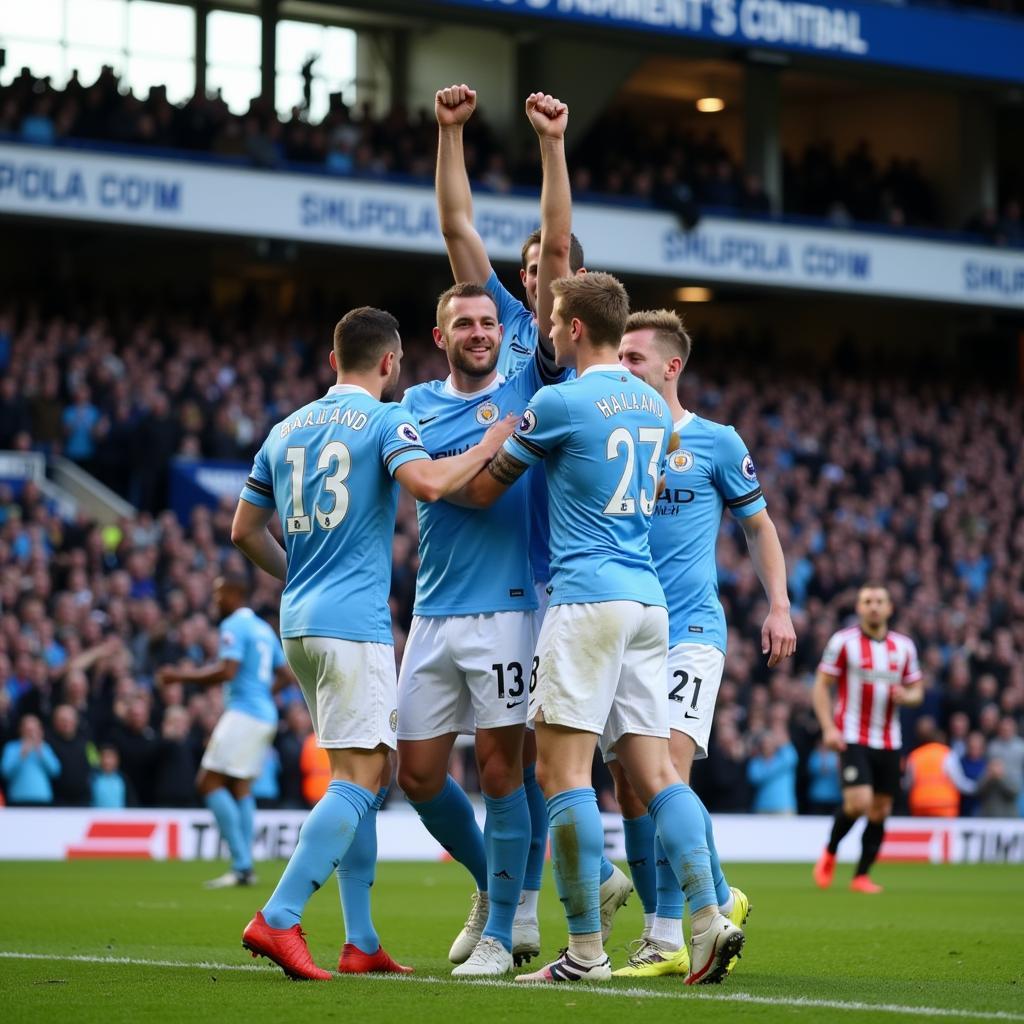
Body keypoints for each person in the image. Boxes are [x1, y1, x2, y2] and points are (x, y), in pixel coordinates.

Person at [455, 272, 745, 985]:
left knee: (560, 774)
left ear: (576, 328)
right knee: (654, 772)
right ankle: (706, 919)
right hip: (649, 603)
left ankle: (585, 951)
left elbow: (490, 485)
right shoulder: (652, 405)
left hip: (585, 600)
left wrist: (455, 463)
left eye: (555, 320)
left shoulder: (558, 401)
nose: (549, 331)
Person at [231, 305, 515, 981]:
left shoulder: (286, 427)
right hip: (352, 625)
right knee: (363, 780)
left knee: (360, 775)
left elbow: (244, 530)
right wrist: (486, 444)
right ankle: (278, 917)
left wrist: (297, 572)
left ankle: (360, 940)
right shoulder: (388, 421)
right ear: (390, 363)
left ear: (335, 360)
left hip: (298, 620)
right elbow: (426, 484)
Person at [433, 82, 613, 966]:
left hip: (548, 573)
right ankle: (520, 895)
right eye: (530, 267)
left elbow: (557, 226)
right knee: (502, 762)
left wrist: (551, 146)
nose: (536, 278)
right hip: (497, 569)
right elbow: (457, 227)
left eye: (553, 270)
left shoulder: (552, 346)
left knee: (537, 755)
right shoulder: (495, 321)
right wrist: (450, 133)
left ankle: (555, 906)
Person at [607, 309, 795, 977]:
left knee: (667, 773)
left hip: (689, 631)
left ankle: (667, 937)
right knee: (631, 786)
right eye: (618, 355)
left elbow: (760, 527)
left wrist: (778, 605)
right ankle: (719, 896)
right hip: (623, 632)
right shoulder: (609, 437)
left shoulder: (714, 441)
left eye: (634, 357)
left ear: (671, 366)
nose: (622, 366)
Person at [157, 573, 289, 888]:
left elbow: (226, 671)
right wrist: (262, 694)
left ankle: (242, 863)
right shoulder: (262, 628)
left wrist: (179, 677)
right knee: (240, 786)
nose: (215, 601)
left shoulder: (233, 626)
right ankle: (244, 868)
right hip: (263, 715)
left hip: (244, 713)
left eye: (219, 594)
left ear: (234, 595)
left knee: (207, 782)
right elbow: (285, 675)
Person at [811, 584, 924, 894]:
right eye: (867, 601)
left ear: (889, 608)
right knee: (858, 803)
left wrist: (907, 696)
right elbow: (821, 686)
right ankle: (831, 852)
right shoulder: (843, 642)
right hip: (852, 735)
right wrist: (829, 728)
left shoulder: (904, 647)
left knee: (880, 809)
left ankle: (861, 875)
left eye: (879, 601)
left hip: (889, 740)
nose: (874, 607)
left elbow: (917, 691)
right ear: (859, 608)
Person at [1, 714, 60, 805]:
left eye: (34, 730)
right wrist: (21, 755)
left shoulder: (45, 747)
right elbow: (5, 772)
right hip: (18, 798)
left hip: (42, 798)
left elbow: (55, 771)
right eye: (28, 730)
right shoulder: (11, 747)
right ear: (21, 730)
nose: (31, 733)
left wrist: (41, 752)